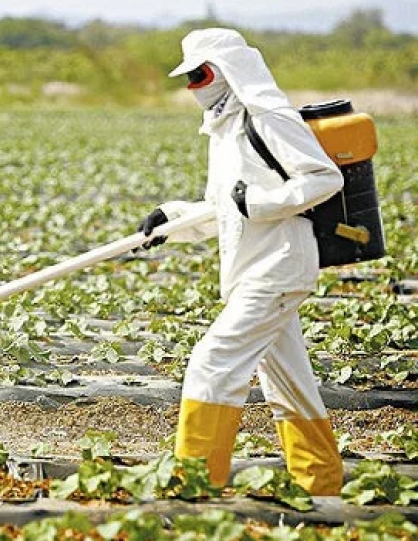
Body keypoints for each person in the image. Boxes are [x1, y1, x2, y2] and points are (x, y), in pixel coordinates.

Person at [137, 28, 345, 495]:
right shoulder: (223, 128)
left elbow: (323, 178)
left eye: (200, 74)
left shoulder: (268, 116)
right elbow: (222, 208)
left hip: (278, 266)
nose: (194, 85)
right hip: (252, 268)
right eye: (189, 77)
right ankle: (321, 485)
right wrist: (170, 220)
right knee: (288, 382)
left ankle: (193, 484)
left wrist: (263, 203)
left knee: (213, 363)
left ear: (227, 70)